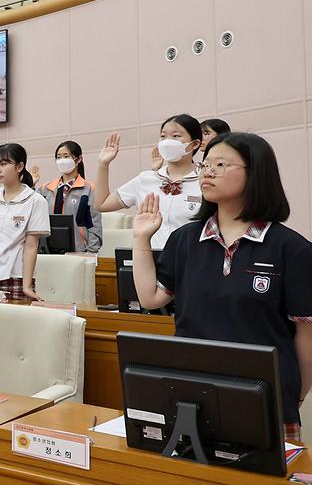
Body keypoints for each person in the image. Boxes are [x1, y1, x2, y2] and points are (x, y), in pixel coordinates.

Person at [130, 132, 312, 442]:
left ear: (256, 173)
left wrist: (295, 394)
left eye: (221, 164)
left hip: (265, 397)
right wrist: (140, 239)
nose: (208, 171)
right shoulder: (185, 240)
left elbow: (306, 335)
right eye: (206, 164)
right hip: (192, 392)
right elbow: (150, 298)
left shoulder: (290, 248)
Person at [94, 114, 203, 249]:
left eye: (176, 136)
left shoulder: (205, 181)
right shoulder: (146, 179)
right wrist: (103, 165)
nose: (167, 141)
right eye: (163, 136)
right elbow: (101, 204)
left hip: (191, 261)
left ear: (195, 144)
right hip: (149, 261)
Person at [0, 143, 50, 301]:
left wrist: (27, 285)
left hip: (15, 277)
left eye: (4, 164)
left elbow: (31, 246)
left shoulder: (36, 201)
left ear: (20, 166)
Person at [35, 141, 102, 253]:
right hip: (47, 251)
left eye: (66, 156)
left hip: (79, 251)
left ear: (78, 159)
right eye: (58, 157)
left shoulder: (89, 189)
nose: (62, 160)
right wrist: (31, 184)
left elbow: (94, 224)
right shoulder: (45, 188)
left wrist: (91, 253)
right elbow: (28, 207)